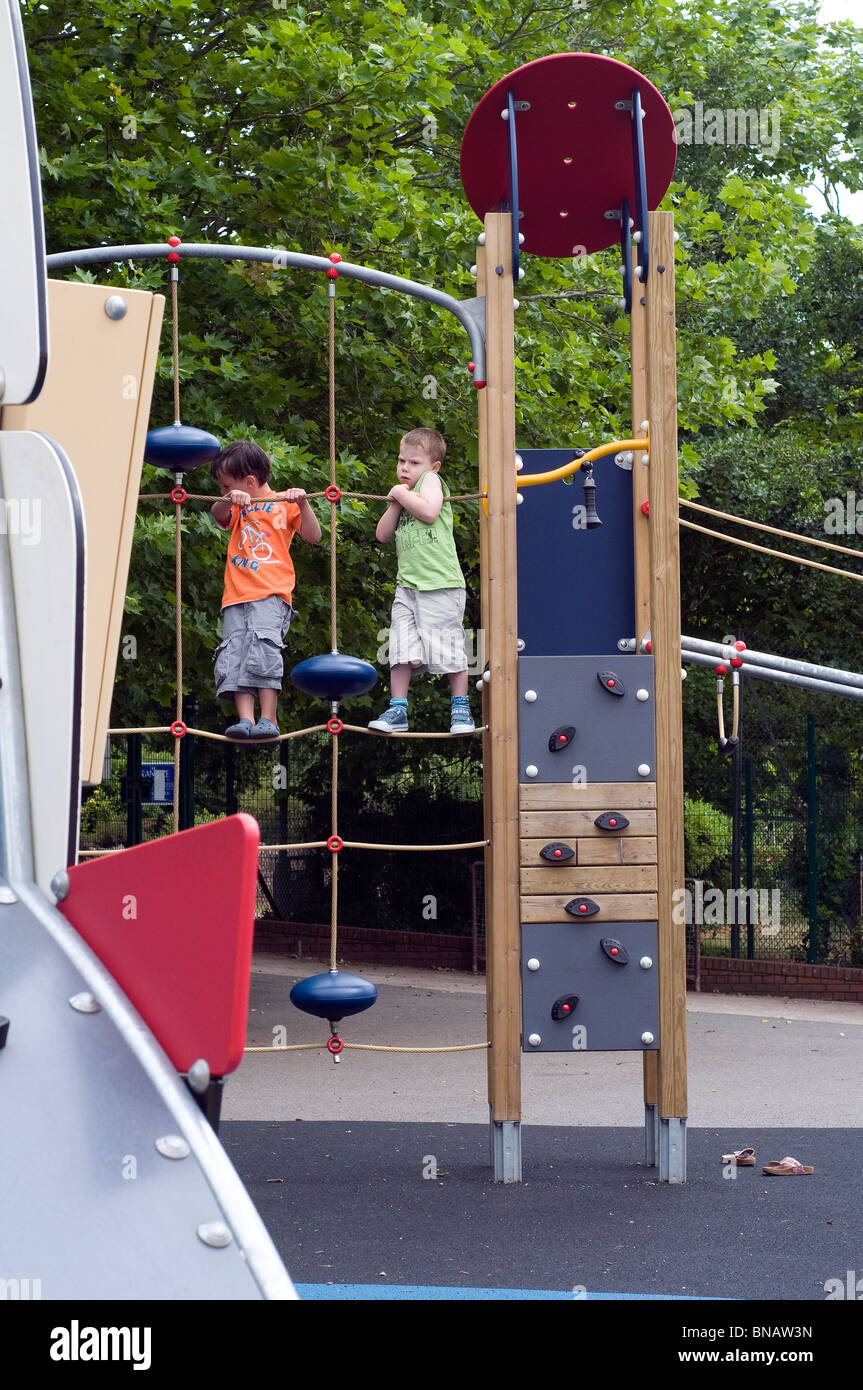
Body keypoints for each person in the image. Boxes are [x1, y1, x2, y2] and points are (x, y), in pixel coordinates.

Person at [210, 440, 321, 738]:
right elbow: (216, 513)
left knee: (263, 650)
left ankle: (268, 719)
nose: (223, 491)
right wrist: (229, 498)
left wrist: (303, 503)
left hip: (271, 595)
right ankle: (245, 719)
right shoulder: (236, 506)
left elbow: (314, 535)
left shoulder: (283, 504)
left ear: (249, 482)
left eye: (226, 485)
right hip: (235, 597)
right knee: (235, 653)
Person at [369, 427, 474, 734]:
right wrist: (396, 501)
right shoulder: (404, 497)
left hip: (440, 584)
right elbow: (382, 535)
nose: (404, 468)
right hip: (408, 587)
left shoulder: (431, 482)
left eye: (413, 462)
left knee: (449, 646)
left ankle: (461, 709)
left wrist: (402, 493)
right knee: (399, 647)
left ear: (433, 467)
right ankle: (398, 709)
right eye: (401, 461)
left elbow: (429, 512)